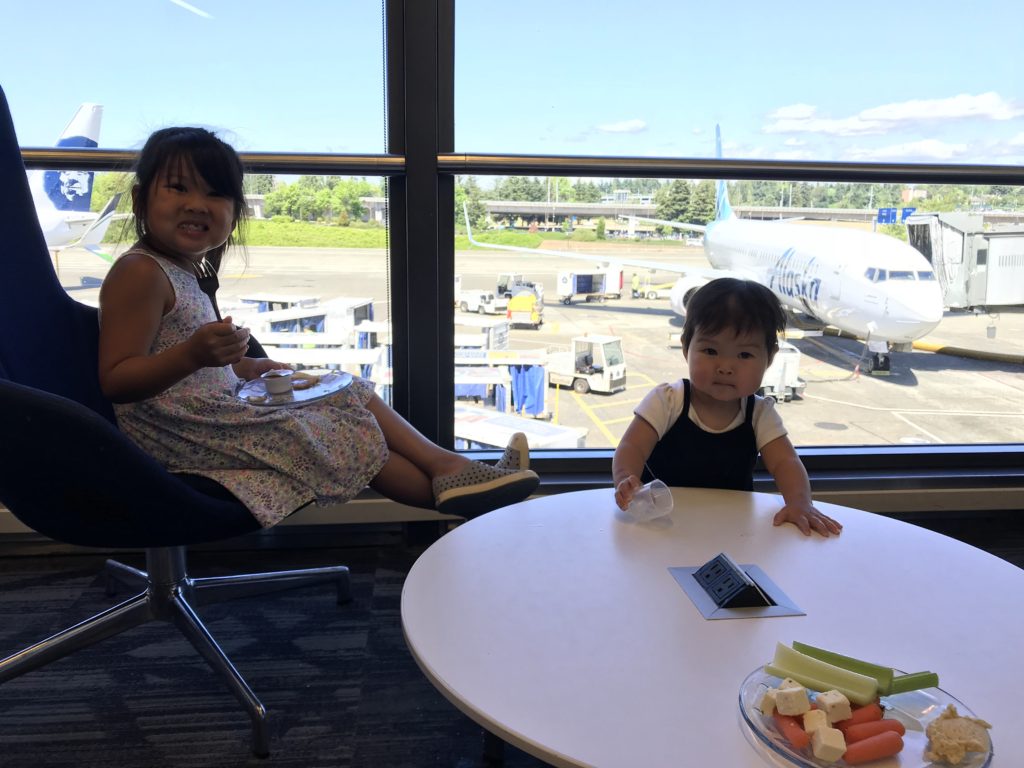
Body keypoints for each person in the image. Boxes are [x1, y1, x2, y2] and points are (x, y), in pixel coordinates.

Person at [98, 126, 538, 529]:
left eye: (215, 194)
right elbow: (117, 380)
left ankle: (451, 467)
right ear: (140, 201)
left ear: (234, 212)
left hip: (207, 410)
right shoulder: (140, 273)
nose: (196, 204)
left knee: (344, 388)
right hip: (177, 433)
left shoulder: (184, 270)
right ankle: (472, 497)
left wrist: (243, 370)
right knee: (331, 430)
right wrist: (193, 355)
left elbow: (179, 361)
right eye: (177, 188)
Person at [612, 277, 841, 537]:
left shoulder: (759, 413)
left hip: (732, 529)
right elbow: (632, 447)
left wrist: (800, 503)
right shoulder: (668, 401)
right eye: (710, 350)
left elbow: (786, 462)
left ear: (769, 359)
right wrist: (626, 479)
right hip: (664, 524)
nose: (725, 367)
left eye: (744, 355)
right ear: (686, 347)